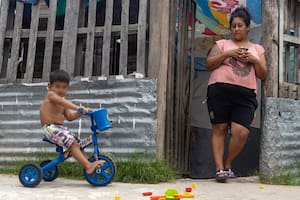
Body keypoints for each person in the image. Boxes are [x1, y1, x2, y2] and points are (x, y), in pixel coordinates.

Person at [205, 6, 267, 183]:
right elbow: (209, 64)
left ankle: (227, 163)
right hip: (219, 90)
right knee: (220, 128)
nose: (237, 29)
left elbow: (263, 74)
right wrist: (228, 53)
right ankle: (219, 169)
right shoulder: (222, 44)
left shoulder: (257, 49)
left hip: (246, 95)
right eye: (233, 26)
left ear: (247, 27)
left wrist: (254, 60)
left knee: (241, 132)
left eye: (240, 25)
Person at [40, 69, 103, 175]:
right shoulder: (51, 95)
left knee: (78, 144)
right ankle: (88, 166)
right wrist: (78, 107)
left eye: (64, 87)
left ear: (68, 88)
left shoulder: (62, 102)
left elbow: (69, 117)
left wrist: (81, 112)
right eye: (57, 86)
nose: (60, 90)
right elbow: (61, 100)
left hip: (60, 129)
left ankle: (87, 164)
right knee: (73, 143)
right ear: (49, 85)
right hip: (50, 128)